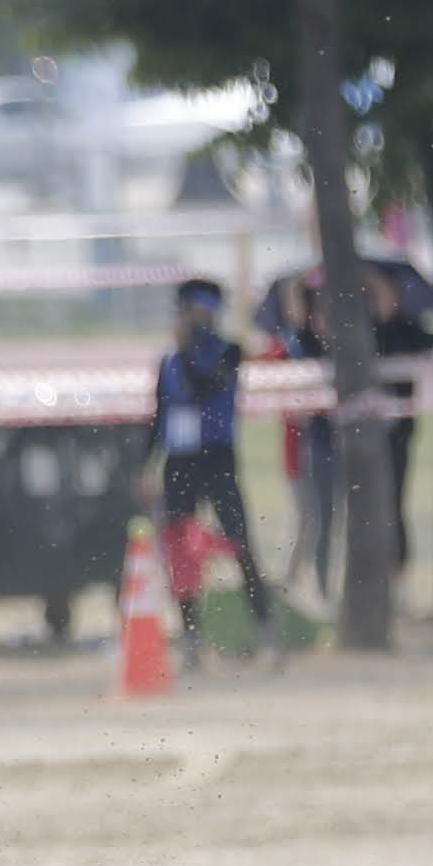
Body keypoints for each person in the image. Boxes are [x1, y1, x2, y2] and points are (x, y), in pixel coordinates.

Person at [151, 278, 280, 665]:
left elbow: (204, 383)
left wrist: (188, 345)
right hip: (180, 461)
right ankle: (190, 637)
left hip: (218, 458)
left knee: (240, 543)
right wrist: (147, 466)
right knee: (181, 553)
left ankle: (265, 631)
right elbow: (158, 416)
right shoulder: (168, 361)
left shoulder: (229, 353)